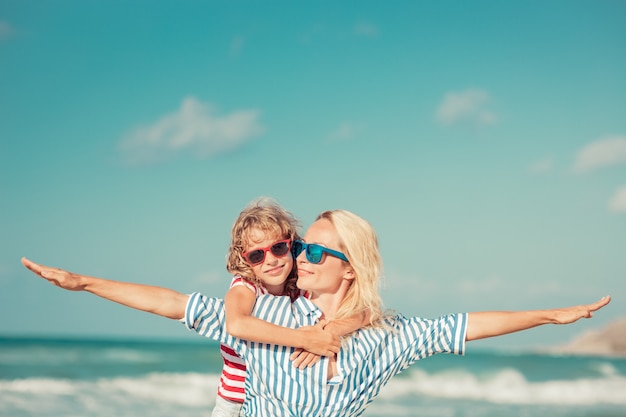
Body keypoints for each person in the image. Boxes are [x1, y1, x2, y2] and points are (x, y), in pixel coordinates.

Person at [21, 208, 611, 417]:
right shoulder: (265, 317)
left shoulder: (386, 335)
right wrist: (83, 282)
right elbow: (172, 303)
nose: (296, 255)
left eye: (310, 248)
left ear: (349, 266)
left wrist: (549, 315)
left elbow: (466, 325)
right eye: (299, 246)